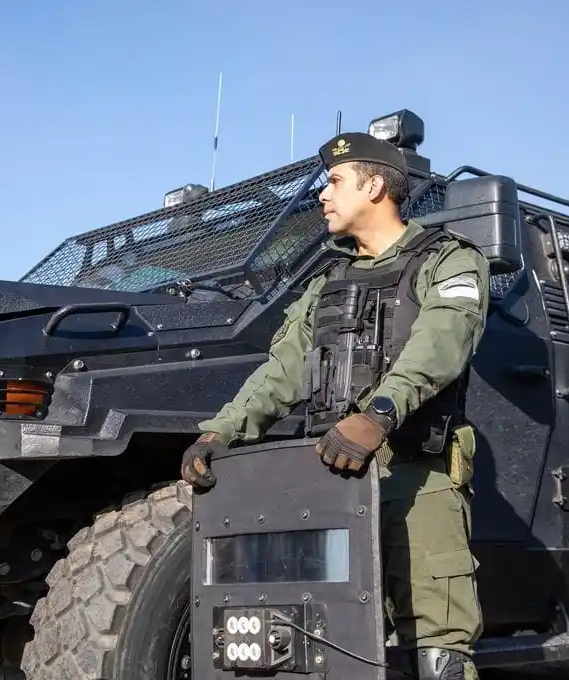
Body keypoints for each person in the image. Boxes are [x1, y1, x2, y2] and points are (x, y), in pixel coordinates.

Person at [180, 131, 490, 680]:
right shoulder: (327, 281)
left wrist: (378, 415)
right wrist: (221, 432)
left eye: (335, 182)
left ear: (374, 186)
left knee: (437, 644)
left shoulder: (449, 259)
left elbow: (441, 344)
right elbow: (282, 371)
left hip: (415, 477)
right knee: (324, 640)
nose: (323, 195)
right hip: (332, 480)